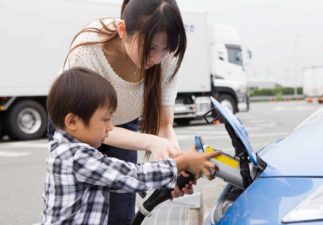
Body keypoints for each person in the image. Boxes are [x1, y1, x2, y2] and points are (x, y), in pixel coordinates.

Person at [47, 0, 189, 224]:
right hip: (80, 125)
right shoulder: (89, 49)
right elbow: (98, 127)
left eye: (166, 50)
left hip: (124, 126)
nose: (157, 58)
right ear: (122, 30)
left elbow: (164, 125)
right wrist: (153, 145)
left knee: (120, 211)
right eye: (150, 48)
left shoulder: (165, 54)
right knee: (81, 208)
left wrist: (177, 167)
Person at [41, 67, 219, 225]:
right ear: (73, 121)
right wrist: (183, 162)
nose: (111, 126)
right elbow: (132, 175)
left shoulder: (68, 151)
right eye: (106, 118)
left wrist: (172, 179)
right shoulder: (76, 157)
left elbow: (121, 180)